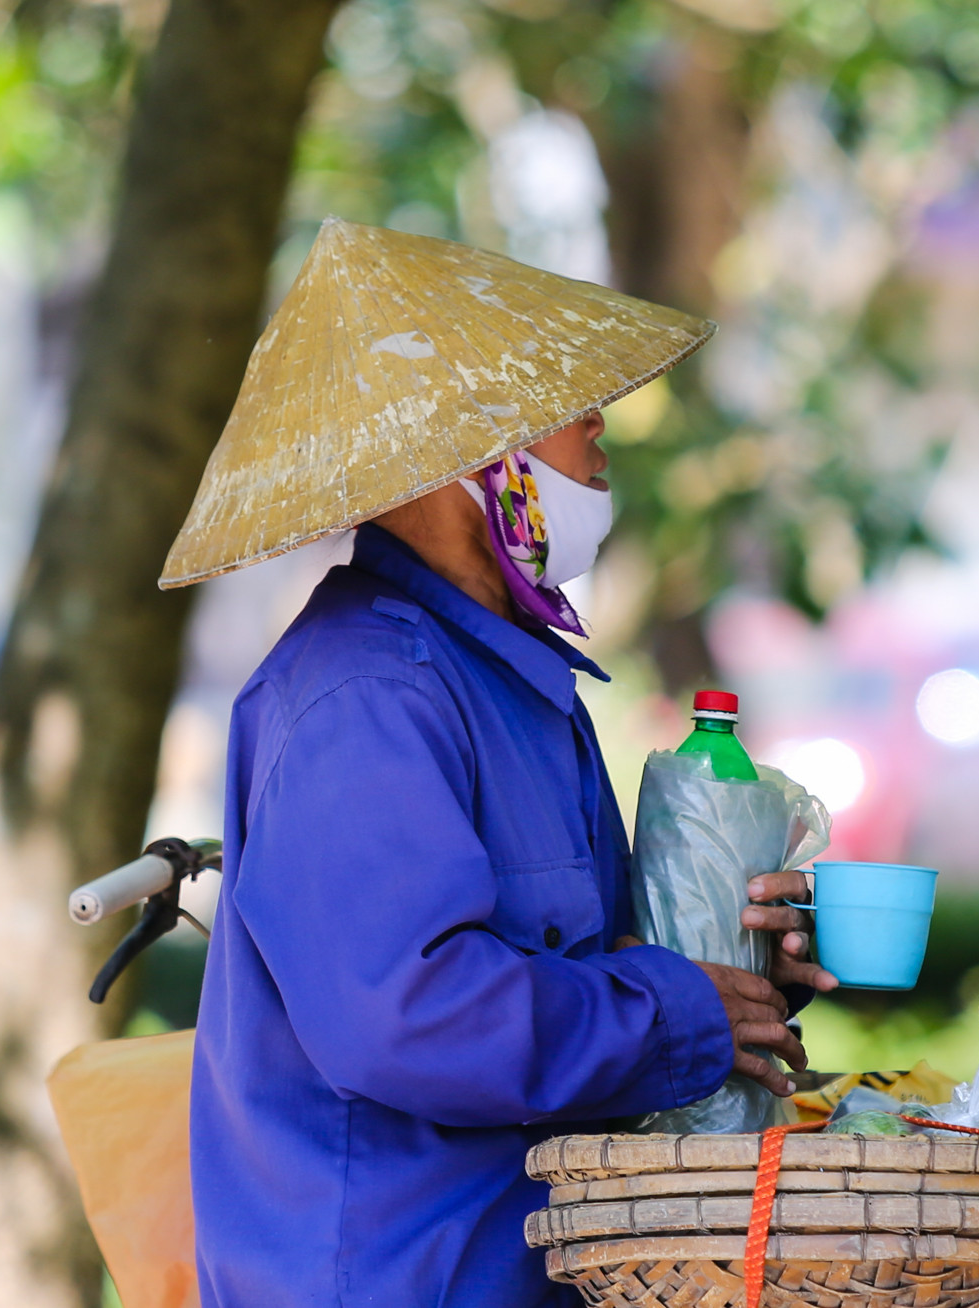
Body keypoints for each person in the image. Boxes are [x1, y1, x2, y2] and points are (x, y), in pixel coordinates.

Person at [164, 220, 833, 1307]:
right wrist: (670, 1014)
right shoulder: (364, 698)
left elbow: (575, 960)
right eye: (559, 406)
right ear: (461, 459)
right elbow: (412, 1017)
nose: (595, 428)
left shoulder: (504, 681)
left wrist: (730, 971)